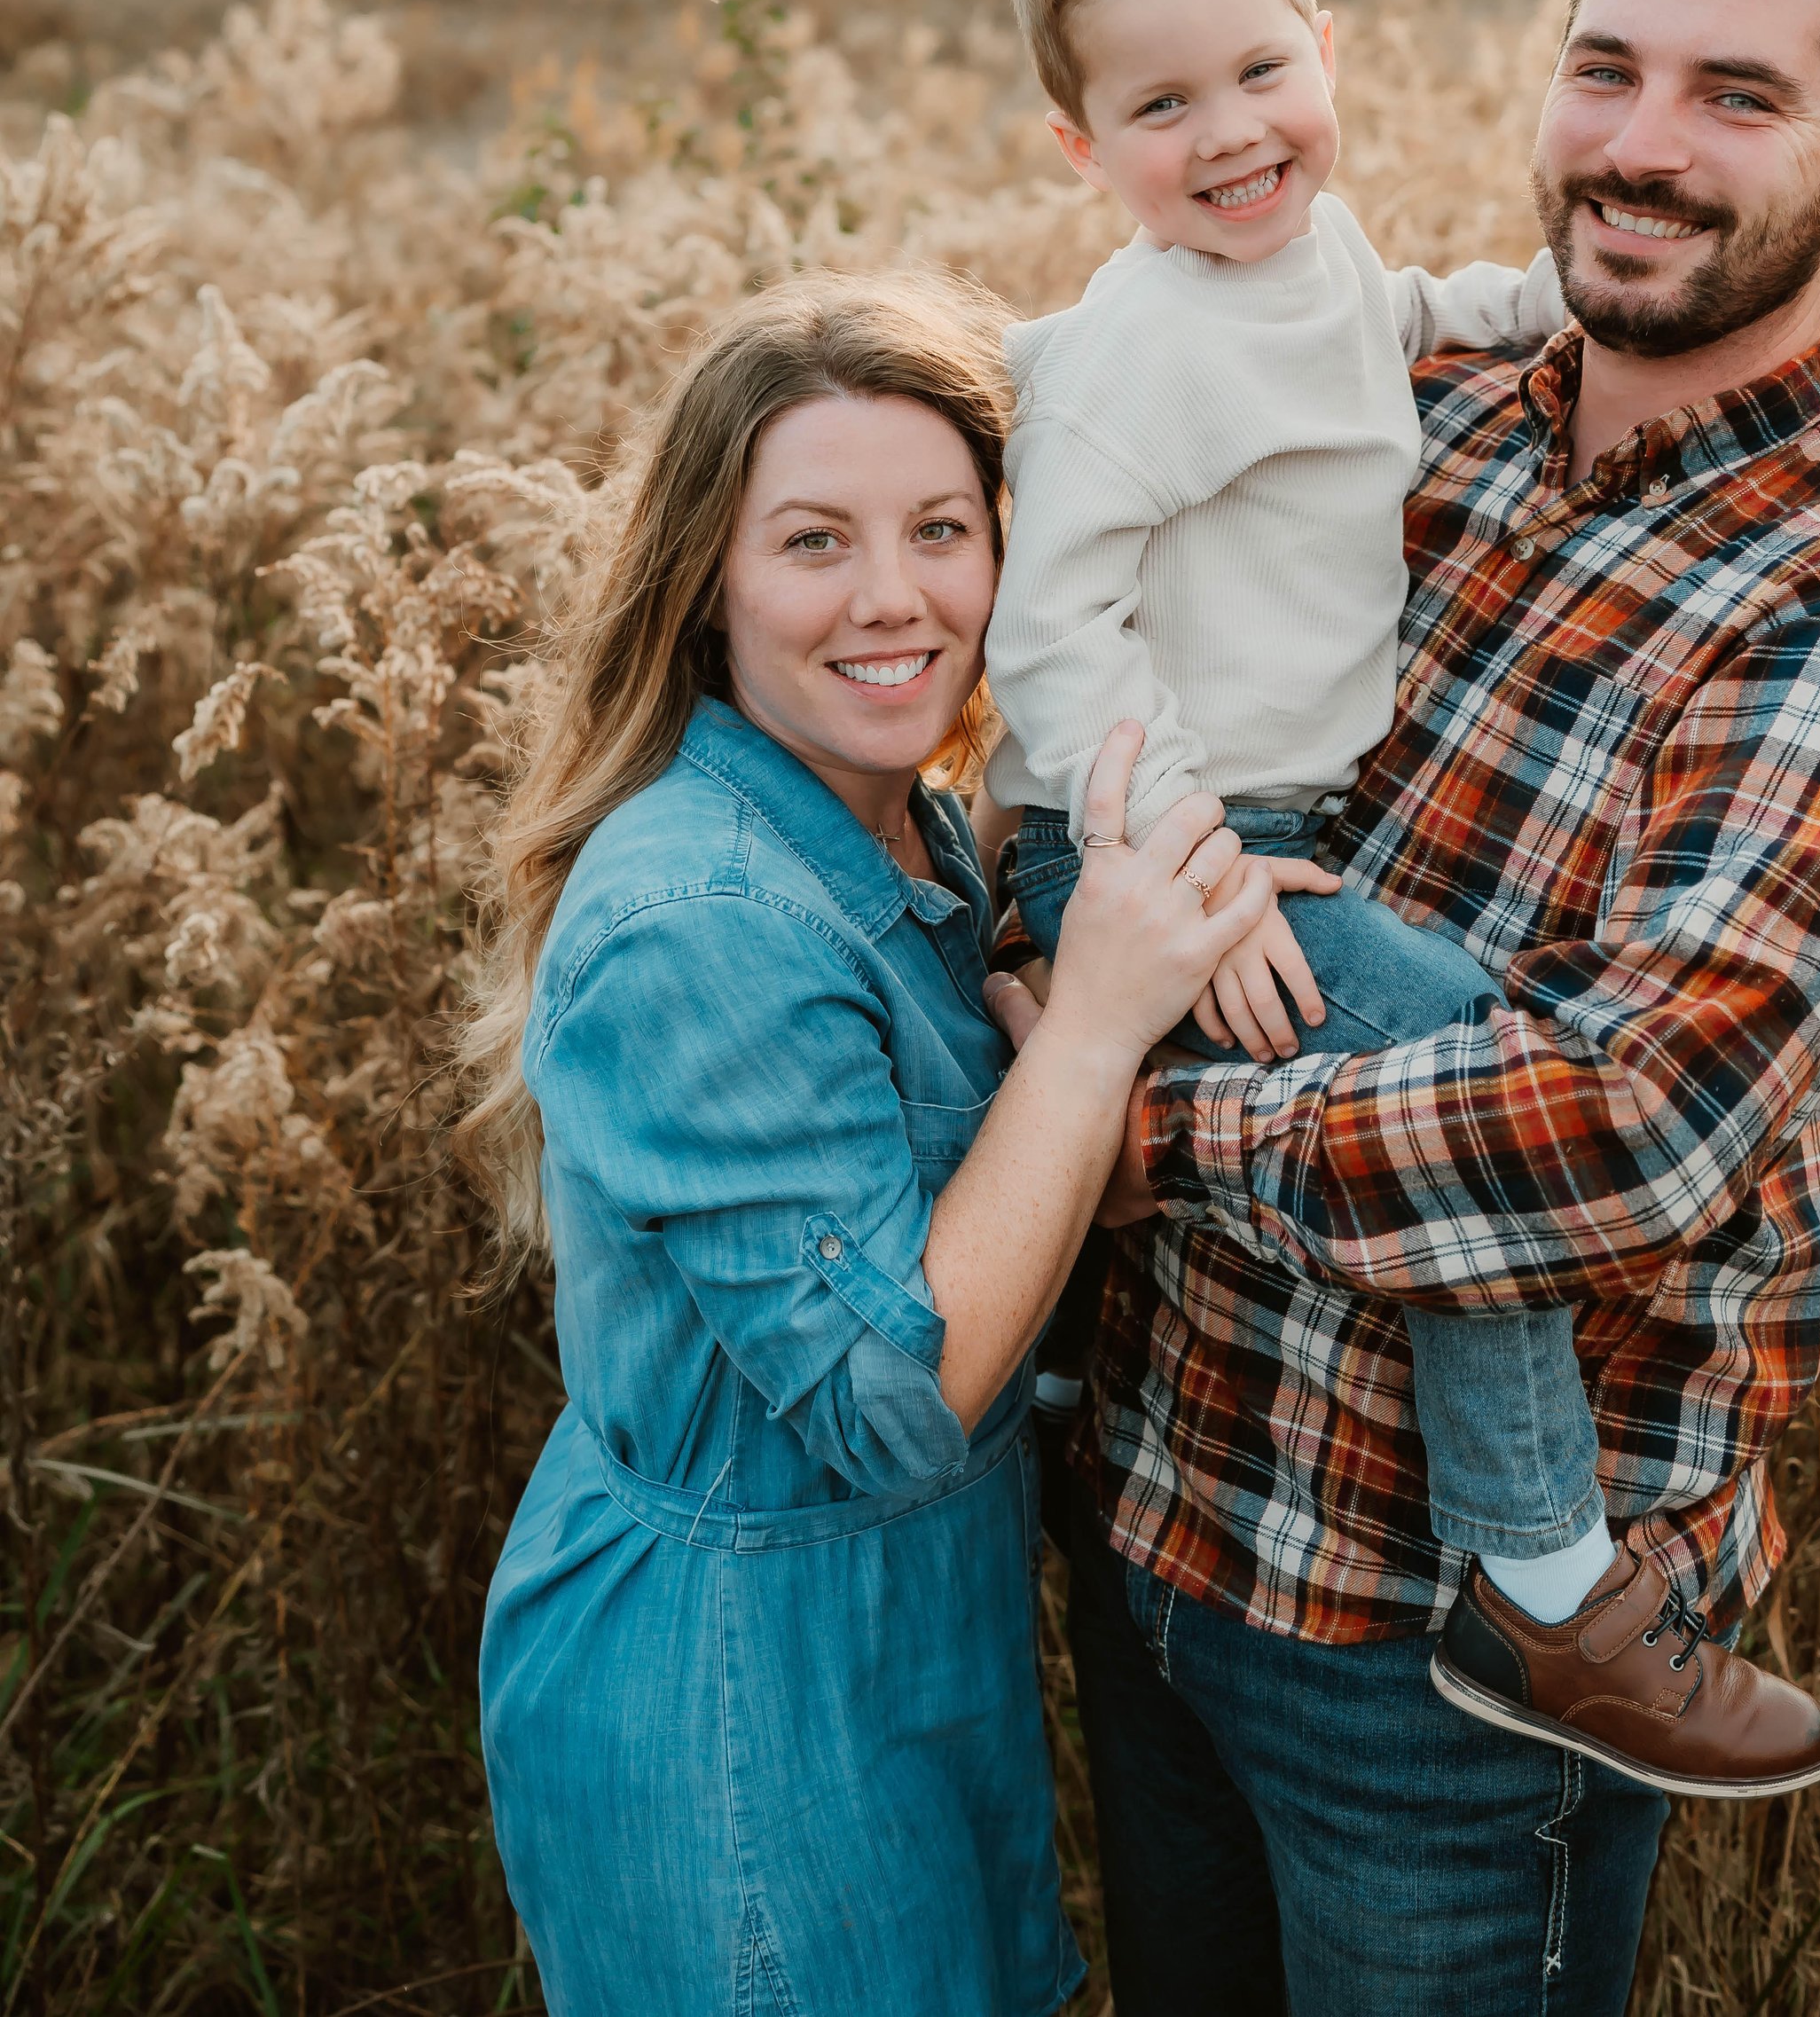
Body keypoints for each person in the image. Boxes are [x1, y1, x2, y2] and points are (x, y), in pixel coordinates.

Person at [1063, 0, 1820, 2017]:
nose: (1642, 147)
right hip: (1160, 1525)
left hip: (1446, 1680)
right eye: (1605, 70)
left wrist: (1126, 1133)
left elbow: (1622, 1128)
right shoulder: (1429, 419)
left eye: (1735, 98)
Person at [983, 0, 1820, 1793]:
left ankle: (1046, 1373)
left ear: (1325, 47)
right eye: (1158, 104)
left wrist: (1551, 292)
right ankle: (1539, 1582)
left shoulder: (1307, 262)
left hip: (1253, 822)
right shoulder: (1142, 351)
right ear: (1074, 145)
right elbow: (1050, 641)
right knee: (1464, 1068)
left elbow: (1395, 321)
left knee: (1429, 1070)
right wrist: (1178, 868)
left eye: (1261, 72)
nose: (1229, 134)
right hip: (1151, 843)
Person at [465, 277, 1278, 2017]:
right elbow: (887, 1396)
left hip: (908, 1649)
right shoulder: (699, 916)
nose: (893, 596)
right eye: (813, 542)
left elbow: (944, 1199)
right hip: (741, 1705)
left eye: (939, 529)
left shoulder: (889, 822)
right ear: (707, 585)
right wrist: (1089, 1026)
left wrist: (1082, 1130)